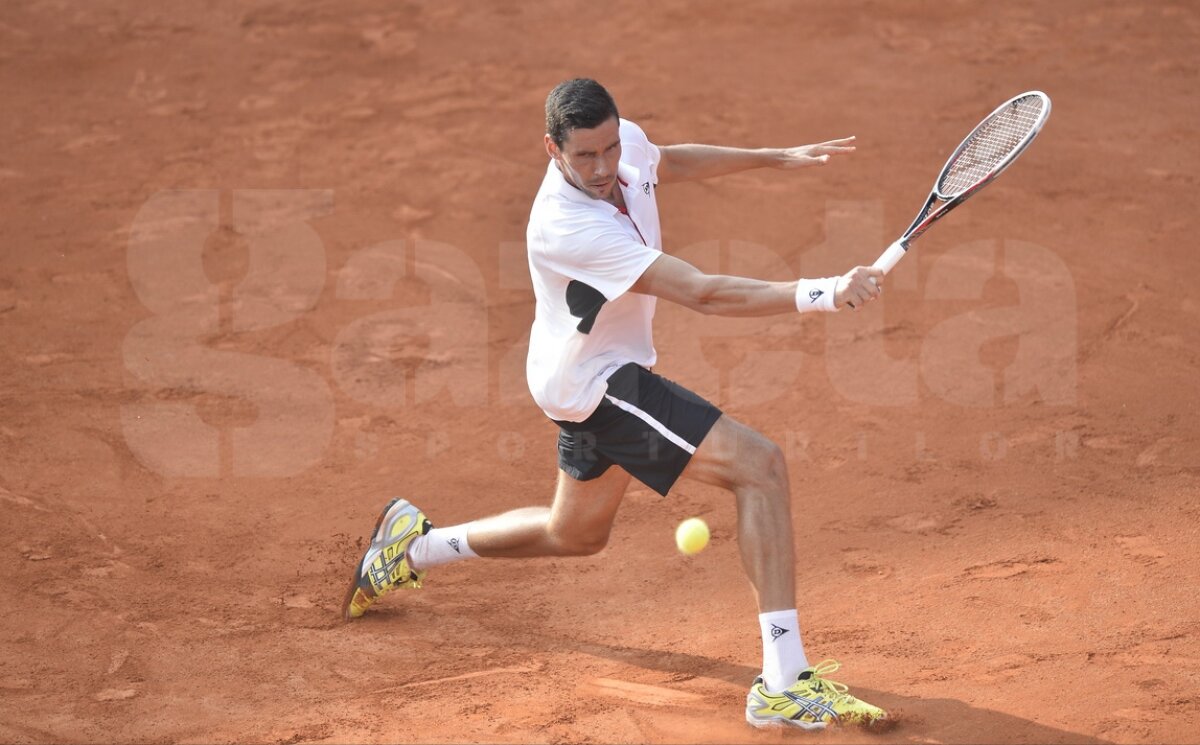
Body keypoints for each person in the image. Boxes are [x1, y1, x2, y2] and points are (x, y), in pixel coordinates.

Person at [342, 78, 887, 730]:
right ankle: (783, 680)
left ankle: (409, 548)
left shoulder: (618, 143)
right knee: (760, 466)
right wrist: (824, 292)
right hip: (602, 384)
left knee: (570, 533)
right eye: (585, 157)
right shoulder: (567, 226)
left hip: (571, 377)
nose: (603, 168)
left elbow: (667, 161)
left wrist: (771, 155)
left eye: (609, 148)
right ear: (552, 149)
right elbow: (704, 293)